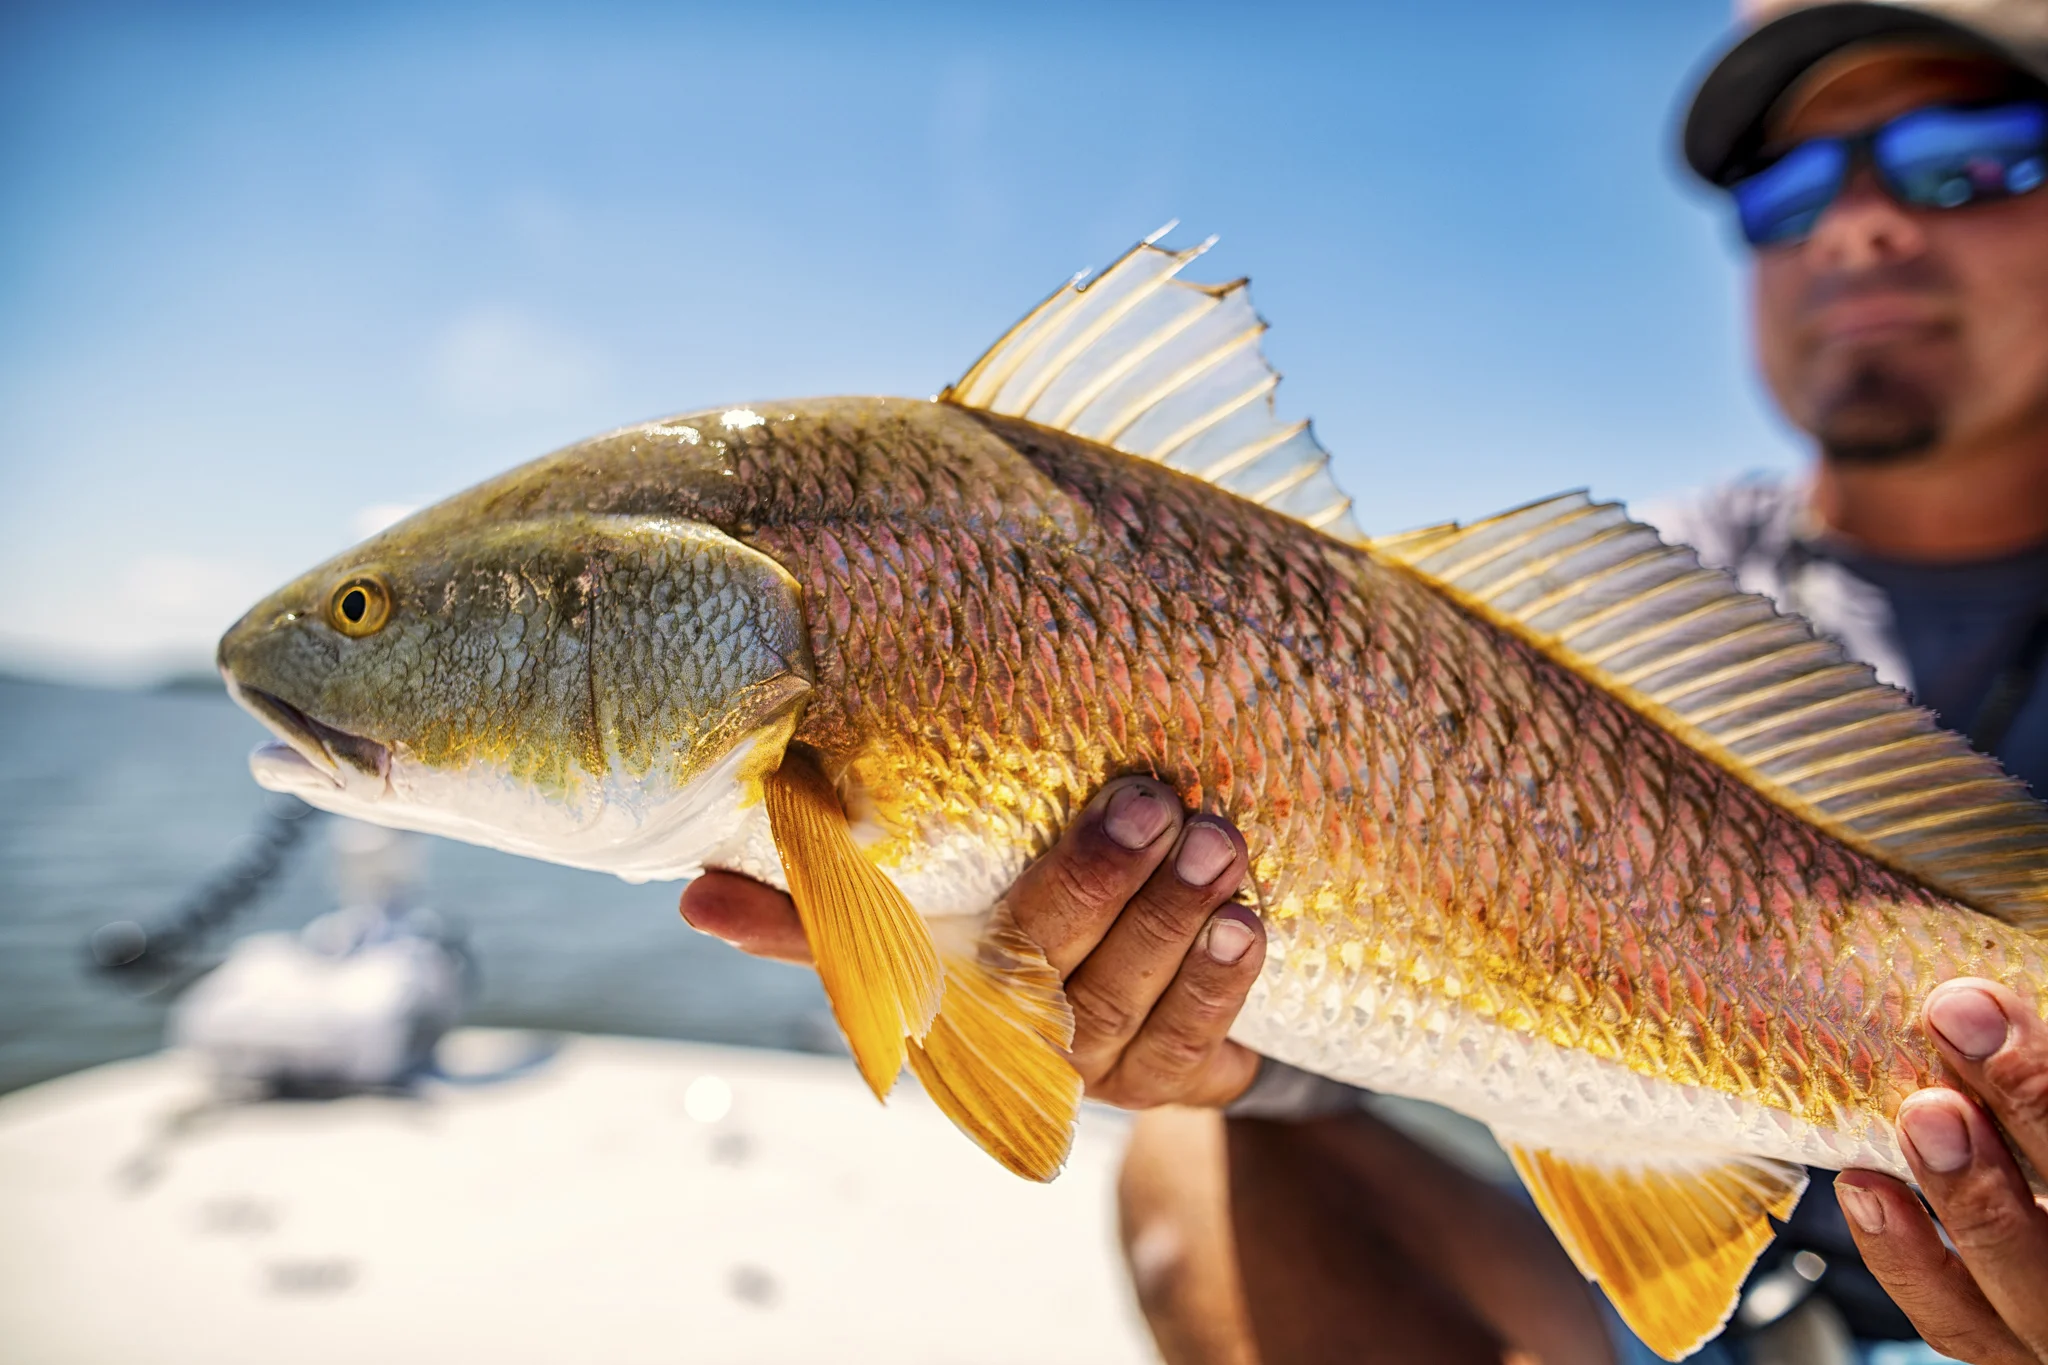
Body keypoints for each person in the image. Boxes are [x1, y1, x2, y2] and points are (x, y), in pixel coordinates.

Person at [682, 1, 2048, 1359]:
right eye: (1789, 191)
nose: (1858, 227)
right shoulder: (1630, 604)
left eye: (1964, 160)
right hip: (1694, 1300)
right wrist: (1224, 1054)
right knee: (1193, 1159)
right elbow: (1408, 938)